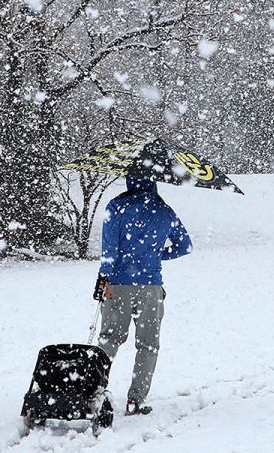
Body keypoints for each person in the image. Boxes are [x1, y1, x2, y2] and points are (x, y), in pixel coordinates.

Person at [92, 177, 192, 416]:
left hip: (117, 285)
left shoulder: (116, 207)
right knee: (148, 345)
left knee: (109, 339)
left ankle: (92, 391)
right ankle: (136, 400)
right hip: (151, 289)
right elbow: (185, 246)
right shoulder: (164, 211)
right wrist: (156, 255)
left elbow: (109, 250)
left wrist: (103, 276)